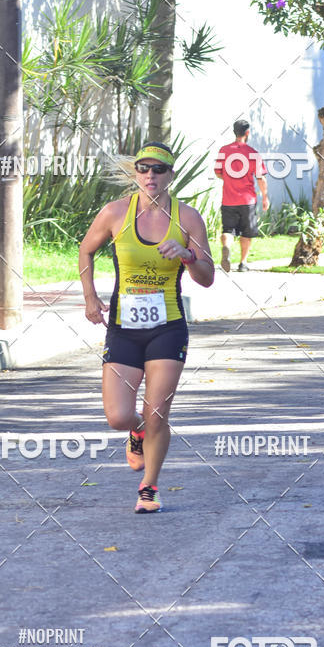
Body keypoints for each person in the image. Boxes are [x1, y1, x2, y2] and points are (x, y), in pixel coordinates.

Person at [79, 142, 214, 513]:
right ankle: (137, 432)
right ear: (136, 173)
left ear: (171, 174)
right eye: (144, 169)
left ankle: (149, 487)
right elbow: (85, 250)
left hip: (167, 327)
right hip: (123, 327)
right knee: (119, 416)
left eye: (159, 169)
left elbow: (207, 277)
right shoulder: (115, 213)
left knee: (158, 412)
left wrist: (188, 256)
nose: (150, 176)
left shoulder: (188, 219)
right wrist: (90, 297)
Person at [215, 118, 269, 272]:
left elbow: (218, 173)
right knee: (247, 231)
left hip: (228, 199)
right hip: (248, 200)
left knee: (228, 230)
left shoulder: (223, 151)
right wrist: (265, 197)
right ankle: (243, 263)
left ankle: (226, 248)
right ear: (247, 133)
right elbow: (261, 178)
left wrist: (230, 179)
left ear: (234, 132)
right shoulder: (253, 153)